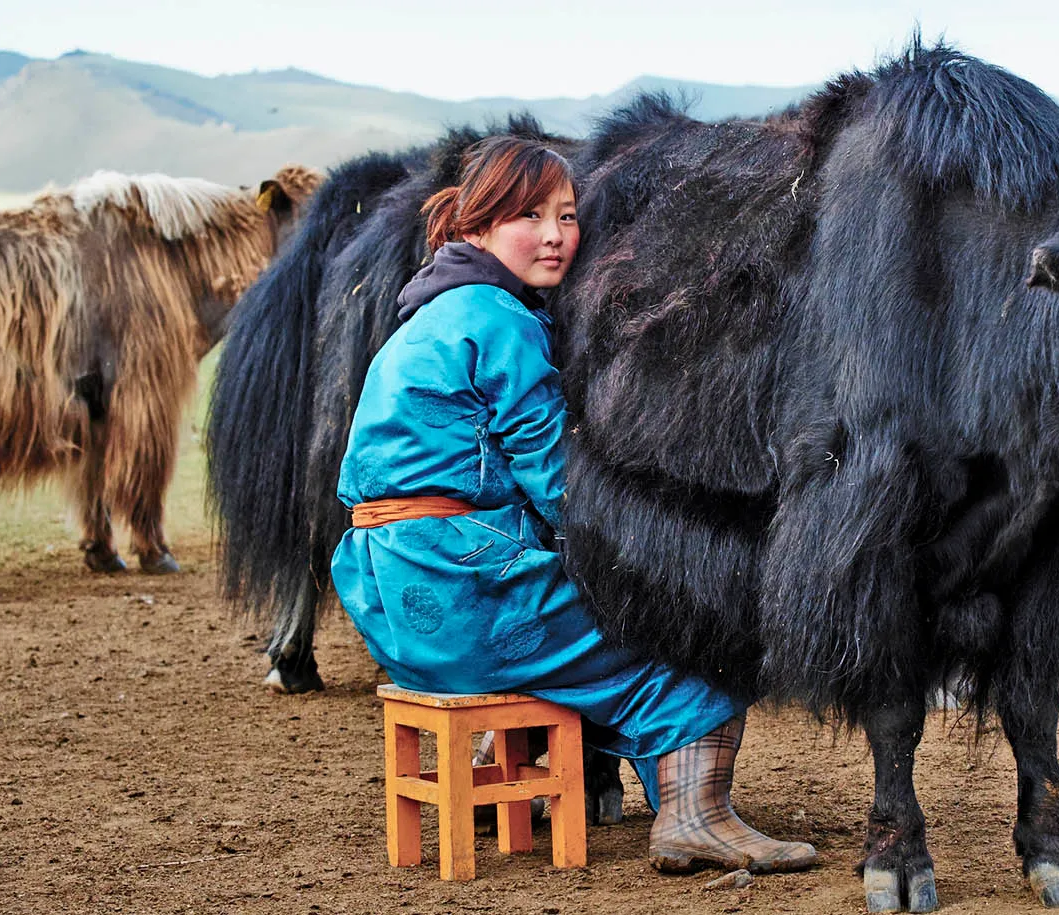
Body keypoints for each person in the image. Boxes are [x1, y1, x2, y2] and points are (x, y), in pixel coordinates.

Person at [330, 135, 816, 875]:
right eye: (530, 215)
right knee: (692, 630)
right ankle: (695, 813)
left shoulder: (425, 315)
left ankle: (514, 782)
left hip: (393, 597)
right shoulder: (497, 316)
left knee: (590, 614)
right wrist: (661, 542)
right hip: (465, 595)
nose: (556, 235)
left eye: (567, 215)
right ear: (476, 226)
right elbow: (557, 479)